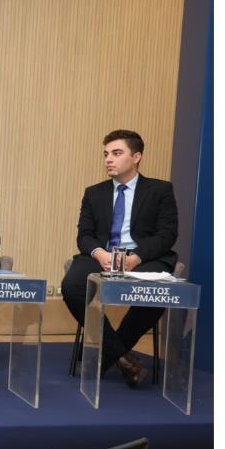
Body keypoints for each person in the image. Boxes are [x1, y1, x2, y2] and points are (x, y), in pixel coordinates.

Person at [61, 130, 178, 387]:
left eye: (116, 153)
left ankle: (107, 357)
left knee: (157, 293)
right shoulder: (94, 193)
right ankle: (122, 357)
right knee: (72, 286)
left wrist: (137, 257)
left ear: (136, 157)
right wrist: (99, 253)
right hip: (102, 254)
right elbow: (84, 235)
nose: (108, 159)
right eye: (106, 154)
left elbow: (167, 234)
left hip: (143, 256)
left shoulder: (160, 190)